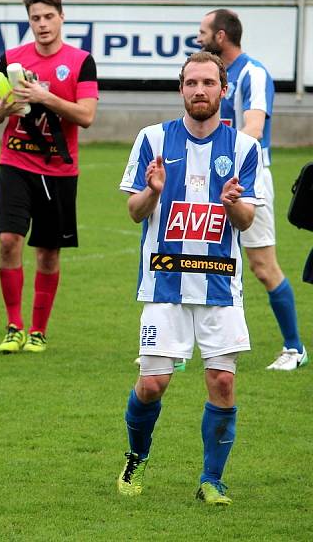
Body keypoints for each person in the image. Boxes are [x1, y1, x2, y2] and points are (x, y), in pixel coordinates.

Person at [116, 51, 263, 506]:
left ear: (223, 90)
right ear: (181, 89)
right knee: (152, 384)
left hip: (220, 285)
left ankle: (211, 480)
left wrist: (232, 202)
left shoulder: (244, 148)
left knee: (222, 381)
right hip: (164, 284)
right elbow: (134, 211)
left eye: (208, 83)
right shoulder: (152, 139)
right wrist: (152, 191)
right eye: (191, 83)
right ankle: (135, 459)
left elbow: (245, 222)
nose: (199, 91)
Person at [0, 0, 98, 354]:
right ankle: (14, 325)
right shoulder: (11, 59)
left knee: (48, 253)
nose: (43, 24)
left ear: (61, 18)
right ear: (29, 21)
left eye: (49, 17)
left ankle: (38, 330)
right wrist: (5, 107)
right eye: (36, 18)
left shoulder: (81, 61)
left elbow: (87, 116)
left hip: (59, 171)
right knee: (8, 241)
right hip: (14, 163)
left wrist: (43, 97)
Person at [197, 9, 307, 371]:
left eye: (203, 32)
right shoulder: (209, 78)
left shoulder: (253, 73)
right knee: (195, 258)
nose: (198, 38)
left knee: (262, 266)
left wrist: (213, 151)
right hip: (210, 177)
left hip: (248, 179)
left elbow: (255, 128)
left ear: (221, 37)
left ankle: (294, 349)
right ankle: (177, 345)